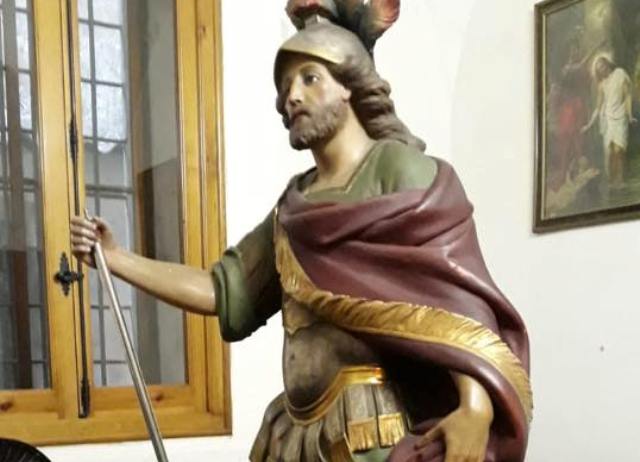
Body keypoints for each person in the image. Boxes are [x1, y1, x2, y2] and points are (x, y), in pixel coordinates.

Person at [71, 2, 532, 461]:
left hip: (372, 434)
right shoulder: (293, 209)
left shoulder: (398, 170)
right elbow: (222, 290)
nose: (291, 96)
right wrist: (117, 259)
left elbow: (456, 304)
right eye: (285, 85)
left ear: (349, 85)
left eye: (310, 78)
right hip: (294, 434)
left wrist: (475, 407)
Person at [582, 55, 637, 189]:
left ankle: (620, 179)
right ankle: (612, 181)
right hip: (608, 120)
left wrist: (630, 115)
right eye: (599, 68)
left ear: (607, 63)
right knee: (610, 152)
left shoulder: (620, 74)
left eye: (602, 65)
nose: (602, 69)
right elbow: (598, 107)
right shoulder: (602, 84)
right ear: (598, 71)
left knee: (619, 150)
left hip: (621, 117)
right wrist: (589, 125)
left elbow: (627, 95)